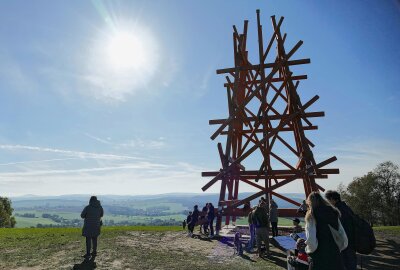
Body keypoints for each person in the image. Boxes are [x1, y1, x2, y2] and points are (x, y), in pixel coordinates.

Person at [305, 192, 345, 270]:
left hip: (320, 254)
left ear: (310, 202)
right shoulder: (334, 211)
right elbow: (342, 233)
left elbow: (311, 239)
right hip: (335, 252)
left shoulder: (311, 215)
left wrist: (308, 250)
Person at [325, 190, 356, 270]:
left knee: (344, 262)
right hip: (352, 238)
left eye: (328, 200)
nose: (328, 202)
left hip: (343, 240)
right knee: (351, 261)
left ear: (332, 199)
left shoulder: (337, 210)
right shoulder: (346, 207)